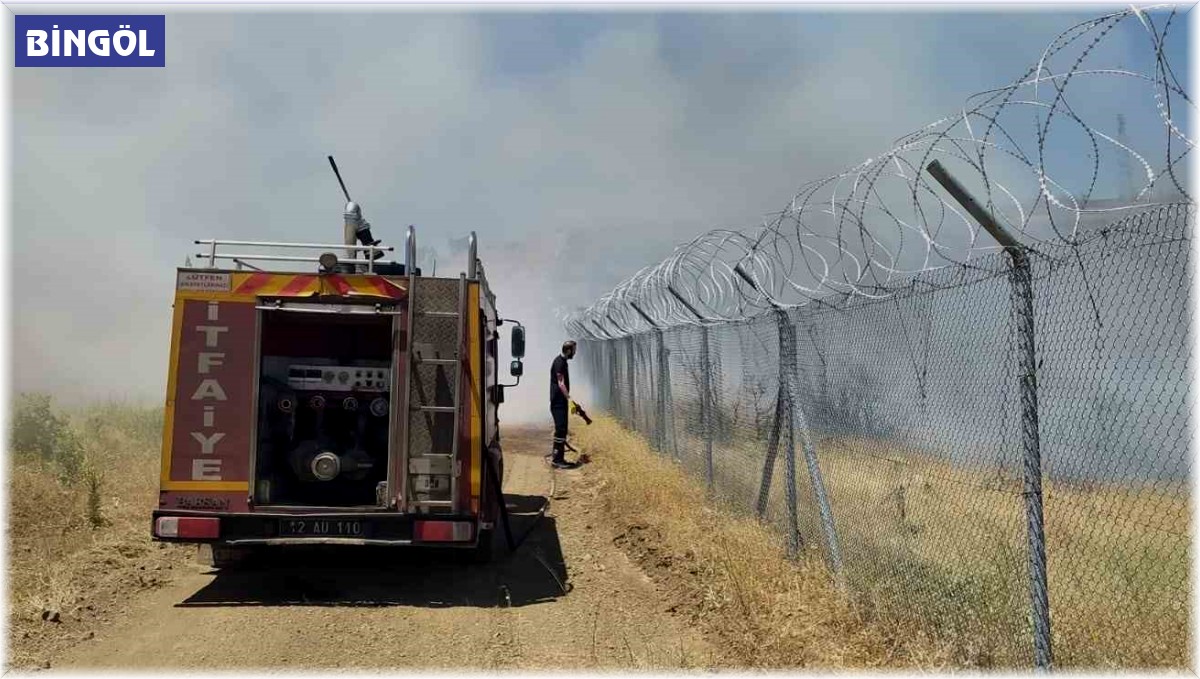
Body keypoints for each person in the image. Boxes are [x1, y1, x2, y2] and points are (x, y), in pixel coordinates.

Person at [549, 340, 578, 469]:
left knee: (562, 429)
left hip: (561, 401)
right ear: (568, 350)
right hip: (558, 402)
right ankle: (557, 459)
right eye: (574, 351)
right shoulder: (559, 363)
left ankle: (558, 457)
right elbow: (561, 383)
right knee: (560, 430)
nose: (575, 353)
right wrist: (570, 399)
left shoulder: (563, 362)